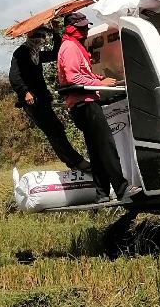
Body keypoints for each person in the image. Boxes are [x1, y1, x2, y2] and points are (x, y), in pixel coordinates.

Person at [55, 11, 137, 204]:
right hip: (85, 104)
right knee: (106, 146)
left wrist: (100, 80)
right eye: (81, 28)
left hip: (82, 104)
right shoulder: (70, 47)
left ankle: (101, 193)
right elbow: (72, 77)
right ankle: (122, 189)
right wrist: (100, 84)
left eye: (85, 26)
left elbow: (80, 74)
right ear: (70, 28)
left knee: (97, 149)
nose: (85, 30)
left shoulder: (73, 46)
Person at [9, 26, 90, 173]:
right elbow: (14, 76)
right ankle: (76, 162)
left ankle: (73, 162)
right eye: (37, 35)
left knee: (56, 130)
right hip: (32, 101)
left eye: (43, 36)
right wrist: (25, 92)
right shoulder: (21, 52)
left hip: (42, 99)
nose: (40, 39)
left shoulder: (37, 55)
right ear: (30, 36)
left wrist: (55, 34)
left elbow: (55, 53)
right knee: (54, 130)